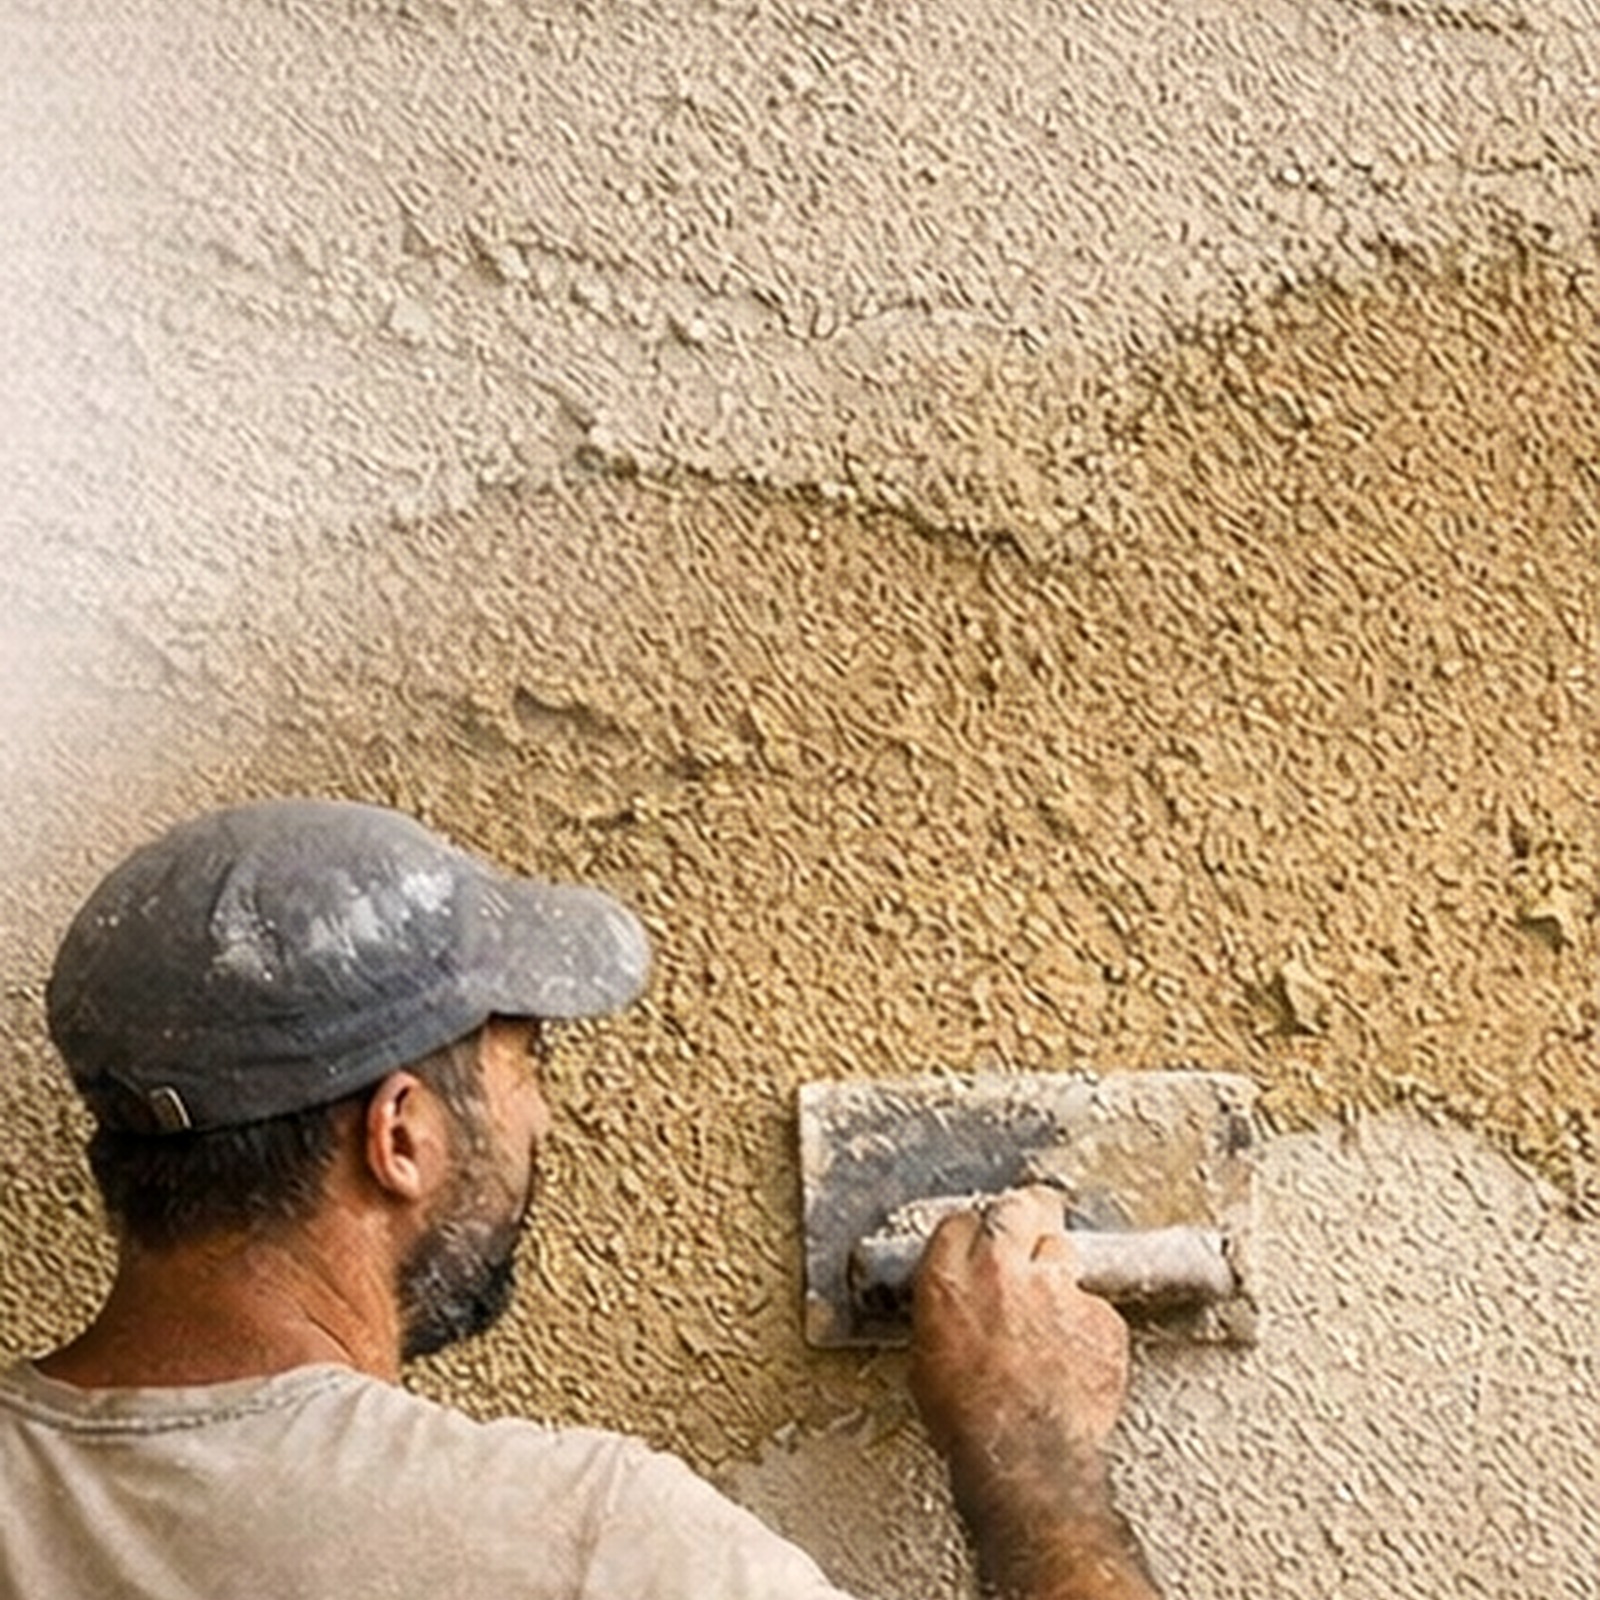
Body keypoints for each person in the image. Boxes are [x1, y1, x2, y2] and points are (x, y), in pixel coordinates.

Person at [0, 798, 1158, 1600]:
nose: (542, 1117)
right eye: (525, 1063)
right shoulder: (581, 1541)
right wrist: (1032, 1456)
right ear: (399, 1134)